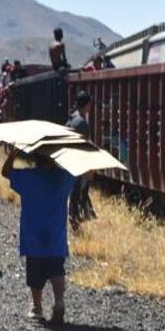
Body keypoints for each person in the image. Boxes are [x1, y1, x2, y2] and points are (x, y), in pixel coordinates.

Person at [2, 150, 76, 326]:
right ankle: (59, 301)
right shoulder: (64, 178)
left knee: (34, 271)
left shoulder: (28, 177)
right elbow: (81, 175)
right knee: (56, 268)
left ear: (35, 158)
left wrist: (13, 154)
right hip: (56, 234)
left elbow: (5, 172)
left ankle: (37, 307)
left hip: (32, 233)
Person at [65, 91, 96, 229]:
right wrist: (89, 166)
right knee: (78, 193)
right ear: (87, 104)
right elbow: (84, 146)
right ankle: (75, 221)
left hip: (70, 161)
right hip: (78, 163)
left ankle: (75, 219)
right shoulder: (81, 123)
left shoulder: (71, 119)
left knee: (76, 193)